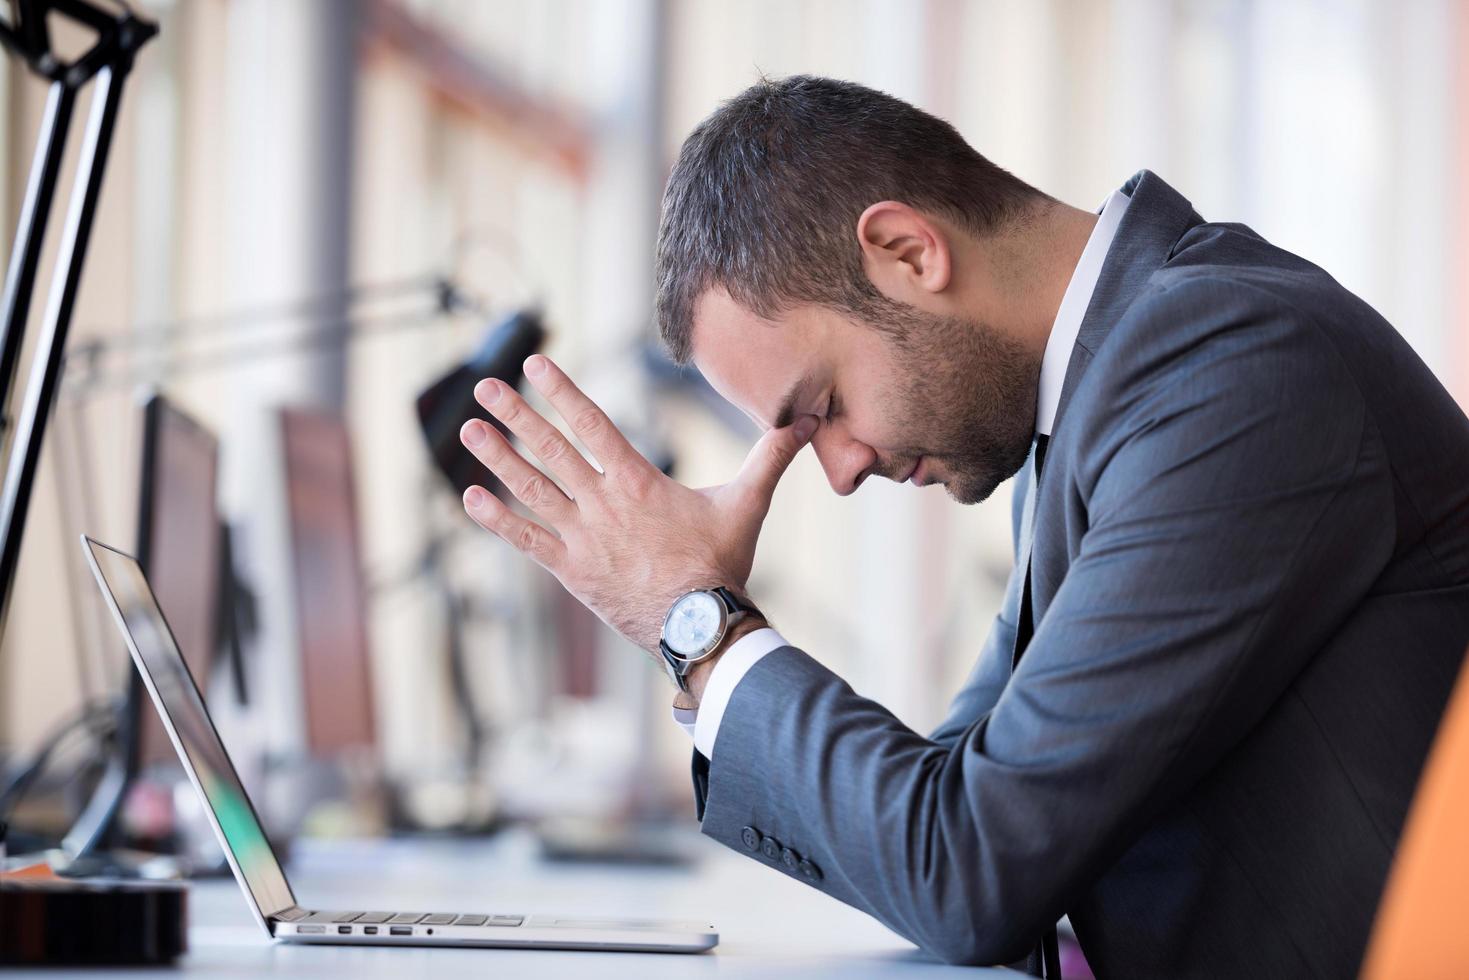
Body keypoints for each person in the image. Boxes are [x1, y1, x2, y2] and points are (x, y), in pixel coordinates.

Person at [454, 75, 1469, 978]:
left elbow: (968, 864)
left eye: (821, 406)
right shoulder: (1091, 408)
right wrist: (702, 628)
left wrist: (699, 626)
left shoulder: (1229, 374)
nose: (840, 471)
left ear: (905, 251)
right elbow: (938, 824)